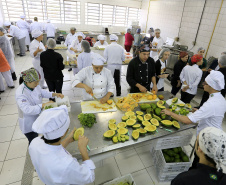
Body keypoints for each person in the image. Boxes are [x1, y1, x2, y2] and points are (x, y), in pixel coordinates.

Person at [161, 70, 226, 169]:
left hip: (208, 139)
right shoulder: (220, 98)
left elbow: (187, 120)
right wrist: (199, 111)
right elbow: (211, 113)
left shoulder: (212, 103)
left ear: (211, 86)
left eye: (205, 83)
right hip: (215, 135)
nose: (203, 84)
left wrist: (170, 113)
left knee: (199, 164)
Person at [29, 106, 95, 185]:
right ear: (63, 133)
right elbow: (90, 176)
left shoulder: (35, 142)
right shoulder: (67, 165)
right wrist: (83, 150)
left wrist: (68, 140)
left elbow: (51, 151)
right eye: (67, 128)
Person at [16, 68, 64, 144]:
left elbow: (42, 92)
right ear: (27, 81)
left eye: (38, 81)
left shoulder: (34, 85)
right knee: (33, 141)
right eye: (36, 82)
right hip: (28, 122)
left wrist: (54, 94)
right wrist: (43, 105)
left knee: (37, 135)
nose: (37, 84)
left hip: (37, 117)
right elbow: (27, 109)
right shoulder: (21, 93)